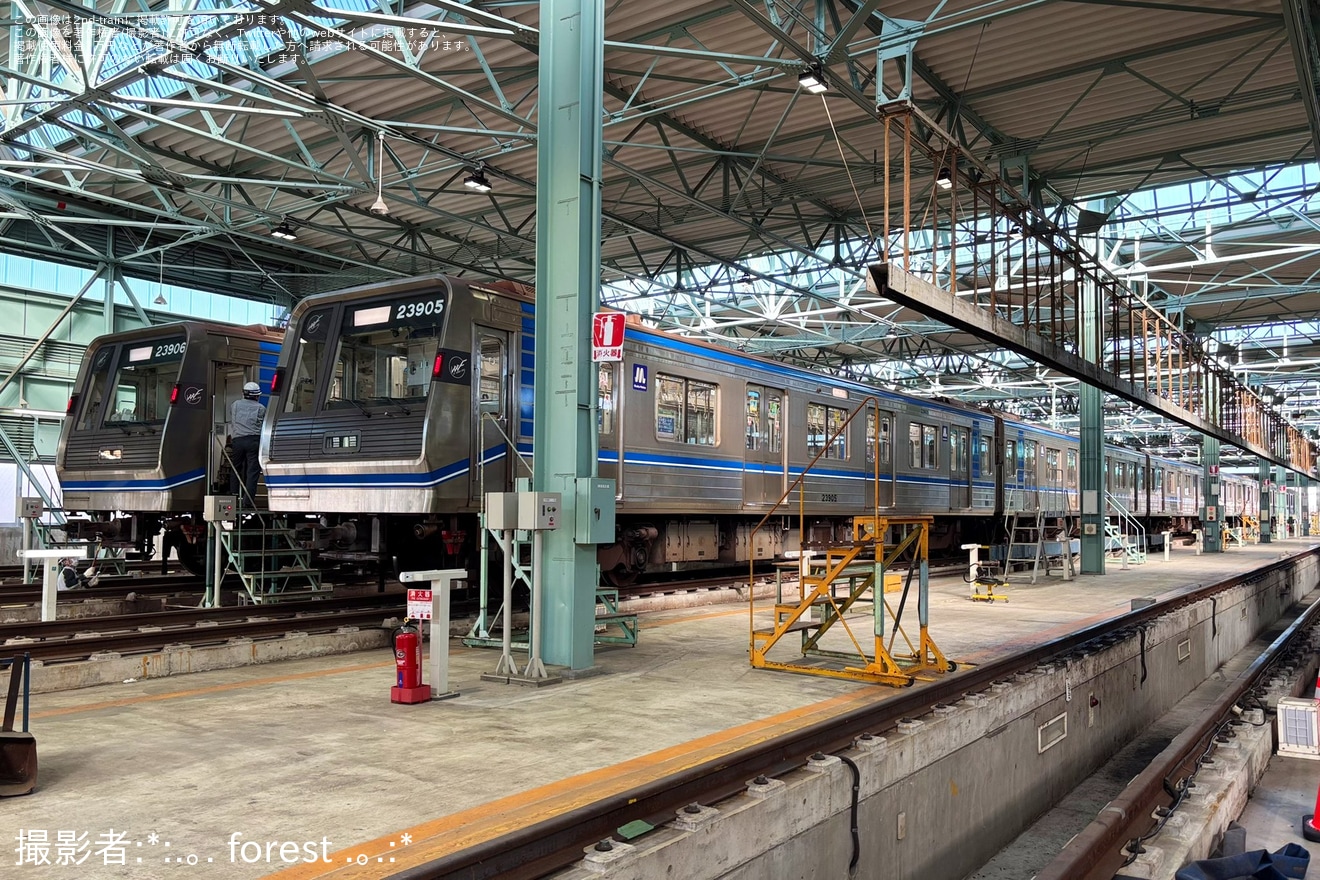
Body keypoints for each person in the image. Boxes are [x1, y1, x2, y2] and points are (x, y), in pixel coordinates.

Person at [228, 381, 266, 507]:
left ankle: (234, 496)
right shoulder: (261, 408)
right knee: (252, 471)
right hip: (253, 441)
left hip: (237, 441)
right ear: (257, 396)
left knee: (236, 468)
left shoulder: (235, 405)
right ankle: (248, 501)